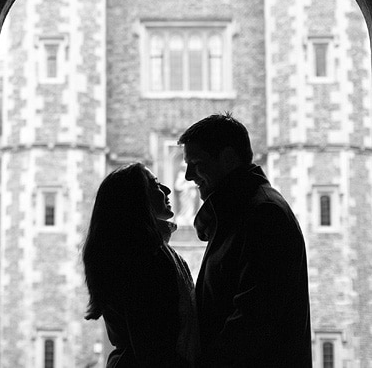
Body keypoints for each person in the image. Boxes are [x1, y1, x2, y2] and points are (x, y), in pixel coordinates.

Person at [179, 114, 311, 367]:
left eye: (196, 163)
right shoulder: (236, 213)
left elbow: (253, 321)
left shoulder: (264, 214)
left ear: (228, 158)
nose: (187, 176)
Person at [83, 163, 198, 367]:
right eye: (155, 185)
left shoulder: (153, 251)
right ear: (137, 199)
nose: (168, 189)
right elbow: (152, 347)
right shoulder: (143, 259)